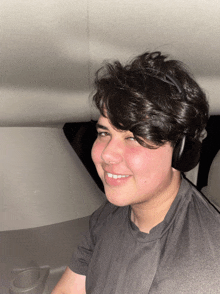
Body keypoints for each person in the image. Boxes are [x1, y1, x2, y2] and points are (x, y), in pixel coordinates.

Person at [52, 51, 220, 294]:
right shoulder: (110, 214)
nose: (107, 154)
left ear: (182, 153)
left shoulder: (201, 271)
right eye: (104, 133)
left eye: (133, 138)